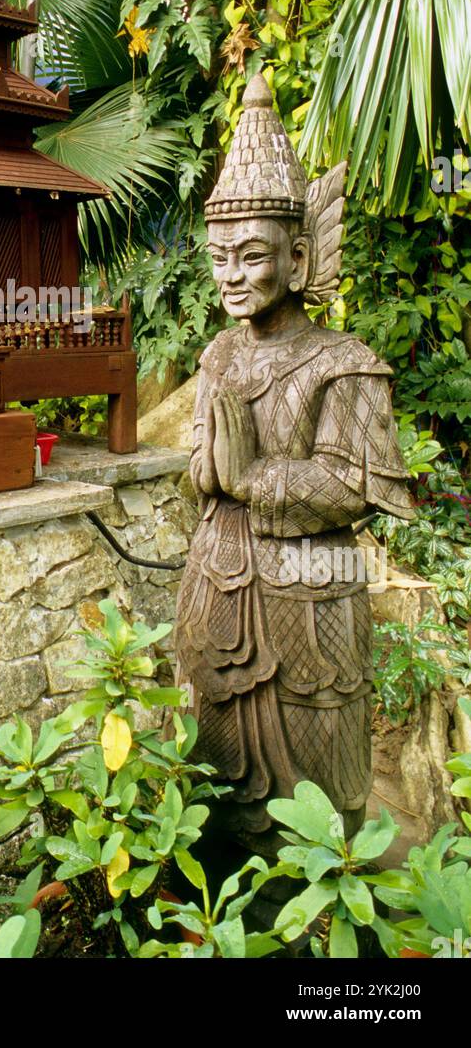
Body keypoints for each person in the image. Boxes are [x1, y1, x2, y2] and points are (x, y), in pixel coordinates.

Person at [175, 72, 415, 847]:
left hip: (309, 598)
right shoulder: (216, 354)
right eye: (219, 259)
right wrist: (209, 471)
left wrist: (253, 479)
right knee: (216, 762)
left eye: (252, 255)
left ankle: (321, 911)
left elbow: (355, 484)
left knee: (313, 776)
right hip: (219, 587)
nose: (233, 277)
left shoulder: (344, 364)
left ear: (301, 252)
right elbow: (200, 471)